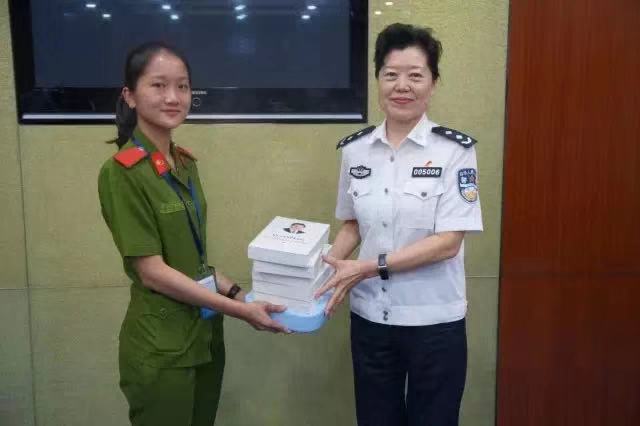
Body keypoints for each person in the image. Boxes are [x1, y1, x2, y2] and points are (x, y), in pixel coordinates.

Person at [98, 42, 288, 426]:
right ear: (129, 96)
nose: (173, 97)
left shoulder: (183, 164)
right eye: (158, 85)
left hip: (204, 336)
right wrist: (241, 311)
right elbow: (152, 271)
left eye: (182, 86)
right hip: (162, 345)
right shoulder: (122, 173)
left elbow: (194, 261)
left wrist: (245, 296)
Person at [315, 23, 483, 426]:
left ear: (433, 83)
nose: (402, 86)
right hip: (372, 319)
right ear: (378, 80)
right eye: (391, 74)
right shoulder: (356, 150)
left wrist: (368, 267)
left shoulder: (455, 151)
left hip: (435, 322)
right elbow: (352, 226)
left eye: (415, 75)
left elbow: (449, 242)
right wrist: (317, 279)